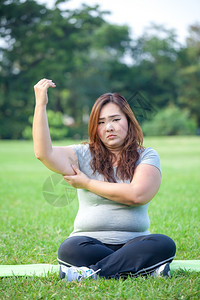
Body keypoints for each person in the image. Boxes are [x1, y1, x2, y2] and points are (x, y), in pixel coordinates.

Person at [33, 78, 176, 281]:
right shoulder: (82, 154)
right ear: (95, 127)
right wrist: (41, 104)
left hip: (134, 242)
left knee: (163, 244)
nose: (109, 127)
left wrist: (87, 183)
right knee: (70, 249)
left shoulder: (146, 156)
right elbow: (43, 153)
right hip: (88, 244)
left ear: (128, 120)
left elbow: (138, 195)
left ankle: (91, 273)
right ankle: (143, 268)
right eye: (101, 122)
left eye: (115, 119)